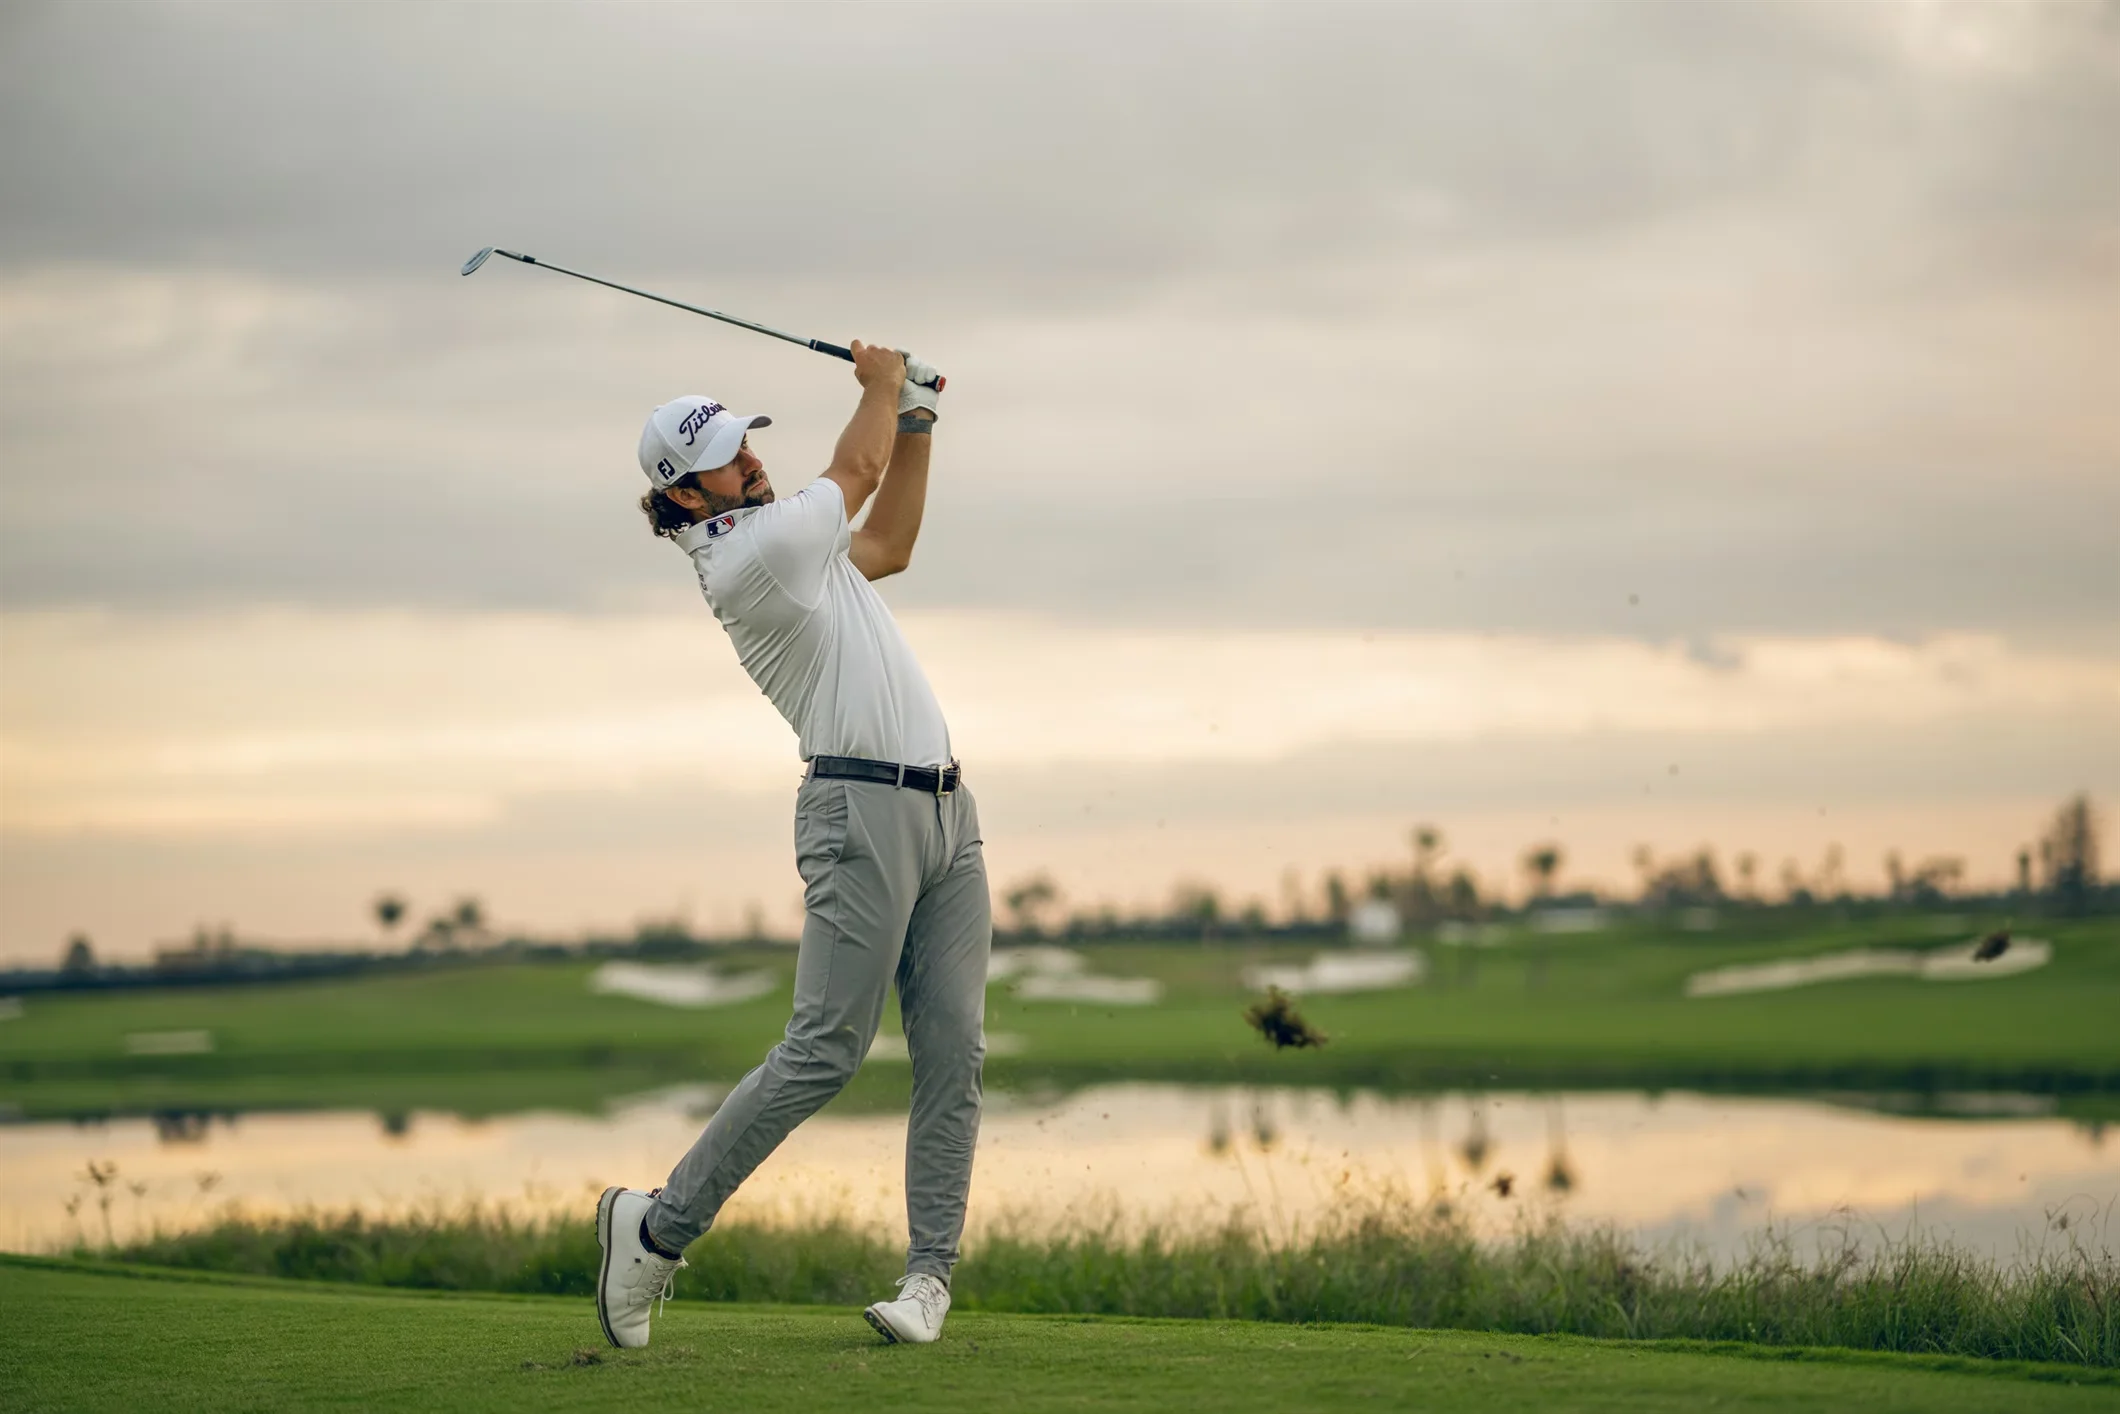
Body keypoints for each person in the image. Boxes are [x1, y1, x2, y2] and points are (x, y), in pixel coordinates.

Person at [595, 343, 988, 1350]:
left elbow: (889, 539)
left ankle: (927, 1281)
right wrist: (876, 388)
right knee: (823, 1052)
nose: (750, 464)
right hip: (857, 812)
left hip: (945, 809)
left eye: (744, 446)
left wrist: (915, 422)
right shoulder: (752, 554)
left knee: (954, 1055)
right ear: (682, 493)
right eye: (727, 460)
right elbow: (851, 478)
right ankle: (655, 1229)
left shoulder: (785, 538)